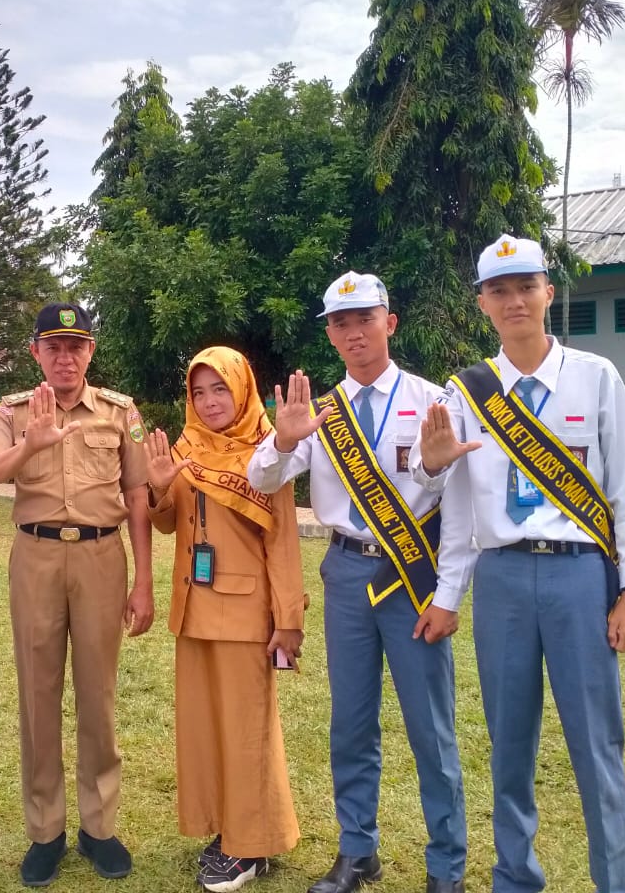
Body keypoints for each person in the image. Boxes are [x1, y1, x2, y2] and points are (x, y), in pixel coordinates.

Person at [411, 235, 625, 893]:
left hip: (580, 578)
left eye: (527, 286)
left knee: (596, 746)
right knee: (509, 744)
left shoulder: (595, 377)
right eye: (500, 290)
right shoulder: (465, 393)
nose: (514, 300)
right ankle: (515, 878)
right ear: (482, 304)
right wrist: (430, 464)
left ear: (549, 291)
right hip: (503, 582)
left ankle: (616, 882)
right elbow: (450, 503)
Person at [247, 272, 468, 893]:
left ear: (389, 323)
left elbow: (460, 508)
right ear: (330, 335)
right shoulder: (318, 415)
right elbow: (262, 479)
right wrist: (280, 442)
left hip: (412, 574)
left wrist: (449, 595)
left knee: (431, 726)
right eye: (340, 323)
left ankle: (446, 864)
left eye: (365, 318)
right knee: (350, 722)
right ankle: (357, 851)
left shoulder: (433, 401)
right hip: (346, 572)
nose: (354, 332)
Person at [0, 302, 153, 887]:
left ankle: (99, 826)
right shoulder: (13, 412)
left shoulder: (120, 413)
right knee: (38, 692)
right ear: (36, 353)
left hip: (103, 556)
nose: (65, 356)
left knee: (98, 694)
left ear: (90, 352)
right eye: (52, 345)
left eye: (75, 345)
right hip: (37, 557)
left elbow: (137, 496)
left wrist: (144, 580)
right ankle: (45, 830)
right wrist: (31, 443)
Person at [145, 346, 304, 893]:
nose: (210, 401)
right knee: (207, 732)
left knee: (247, 732)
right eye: (199, 391)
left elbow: (282, 538)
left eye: (220, 389)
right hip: (193, 609)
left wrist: (288, 617)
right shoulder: (186, 448)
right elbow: (166, 524)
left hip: (245, 612)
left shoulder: (270, 447)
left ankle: (249, 845)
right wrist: (159, 485)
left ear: (242, 390)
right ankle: (225, 828)